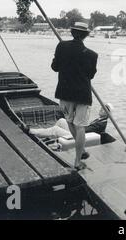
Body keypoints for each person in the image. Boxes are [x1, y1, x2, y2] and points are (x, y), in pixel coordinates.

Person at [51, 21, 98, 171]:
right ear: (85, 36)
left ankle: (81, 151)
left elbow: (54, 67)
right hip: (83, 94)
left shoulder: (61, 46)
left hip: (65, 92)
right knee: (80, 127)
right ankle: (78, 159)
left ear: (72, 33)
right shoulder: (92, 55)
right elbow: (90, 75)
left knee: (70, 122)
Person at [29, 104, 113, 140]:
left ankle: (32, 132)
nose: (101, 109)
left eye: (104, 109)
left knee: (56, 129)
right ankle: (50, 136)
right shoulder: (99, 120)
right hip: (79, 132)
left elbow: (85, 130)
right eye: (102, 108)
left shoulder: (101, 123)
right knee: (62, 121)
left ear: (108, 114)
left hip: (80, 137)